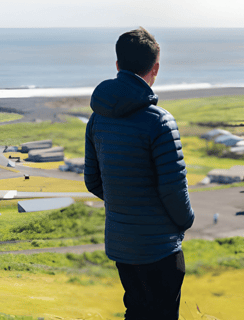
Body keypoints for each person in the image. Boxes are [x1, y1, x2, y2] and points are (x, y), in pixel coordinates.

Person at [84, 27, 195, 320]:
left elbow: (93, 180)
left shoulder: (98, 117)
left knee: (134, 312)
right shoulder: (160, 122)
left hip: (122, 245)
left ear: (118, 65)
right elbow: (173, 190)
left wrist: (127, 204)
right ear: (155, 68)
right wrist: (187, 221)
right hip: (160, 248)